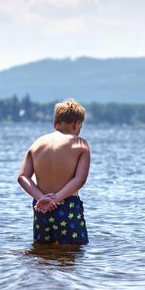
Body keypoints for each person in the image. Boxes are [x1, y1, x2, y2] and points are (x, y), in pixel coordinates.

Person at [17, 99, 91, 245]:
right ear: (77, 124)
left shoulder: (37, 143)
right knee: (73, 251)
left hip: (41, 208)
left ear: (55, 124)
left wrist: (42, 198)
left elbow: (22, 177)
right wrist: (56, 199)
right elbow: (79, 180)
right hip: (67, 206)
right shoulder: (80, 144)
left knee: (42, 253)